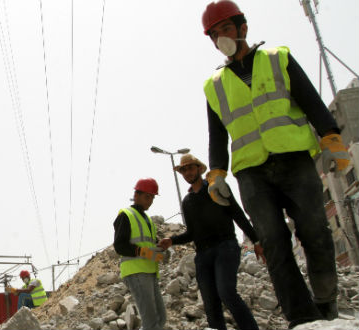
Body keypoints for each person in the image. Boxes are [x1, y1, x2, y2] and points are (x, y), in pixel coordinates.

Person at [200, 1, 351, 327]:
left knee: (315, 232)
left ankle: (325, 303)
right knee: (274, 243)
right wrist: (216, 174)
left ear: (243, 28)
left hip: (295, 159)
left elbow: (311, 100)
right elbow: (217, 137)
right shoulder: (214, 86)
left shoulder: (277, 58)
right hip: (251, 172)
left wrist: (331, 139)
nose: (220, 37)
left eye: (225, 28)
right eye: (213, 34)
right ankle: (301, 318)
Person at [158, 154, 265, 330]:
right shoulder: (187, 202)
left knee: (227, 292)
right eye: (183, 170)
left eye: (190, 168)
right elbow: (192, 233)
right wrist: (172, 240)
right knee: (210, 303)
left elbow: (237, 214)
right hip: (203, 255)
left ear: (199, 169)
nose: (187, 173)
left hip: (226, 247)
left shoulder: (216, 188)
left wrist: (256, 240)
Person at [113, 178, 166, 330]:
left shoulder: (147, 219)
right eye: (147, 196)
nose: (150, 201)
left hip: (150, 271)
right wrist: (141, 251)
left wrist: (159, 247)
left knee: (160, 318)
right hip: (136, 271)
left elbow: (149, 243)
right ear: (136, 195)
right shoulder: (126, 215)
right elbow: (120, 245)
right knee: (151, 321)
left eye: (152, 198)